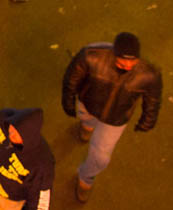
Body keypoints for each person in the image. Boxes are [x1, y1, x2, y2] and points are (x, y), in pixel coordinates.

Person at [62, 31, 162, 202]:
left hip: (116, 118)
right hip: (88, 104)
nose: (128, 65)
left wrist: (148, 120)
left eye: (133, 60)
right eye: (123, 59)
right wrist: (69, 100)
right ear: (114, 53)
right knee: (86, 118)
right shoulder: (91, 56)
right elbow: (72, 79)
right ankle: (87, 126)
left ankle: (86, 179)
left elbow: (153, 99)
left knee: (101, 156)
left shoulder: (148, 74)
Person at [0, 107, 55, 210]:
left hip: (11, 197)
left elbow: (40, 200)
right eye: (12, 128)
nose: (10, 134)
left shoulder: (42, 163)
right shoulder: (3, 118)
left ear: (28, 137)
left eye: (17, 134)